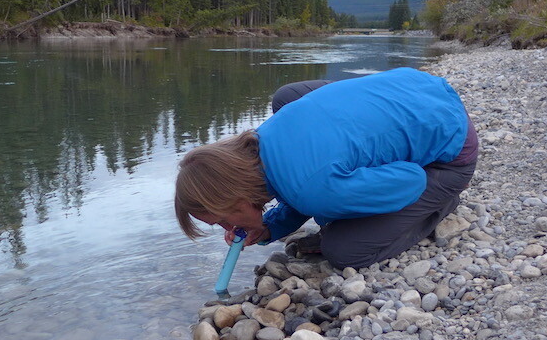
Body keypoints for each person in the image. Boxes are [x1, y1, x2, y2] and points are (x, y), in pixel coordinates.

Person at [174, 67, 478, 269]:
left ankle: (443, 203)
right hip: (418, 85)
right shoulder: (262, 138)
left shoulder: (312, 190)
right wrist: (268, 228)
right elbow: (301, 182)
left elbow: (412, 180)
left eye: (222, 221)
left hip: (451, 150)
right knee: (288, 99)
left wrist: (338, 208)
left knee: (344, 250)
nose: (228, 230)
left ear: (236, 198)